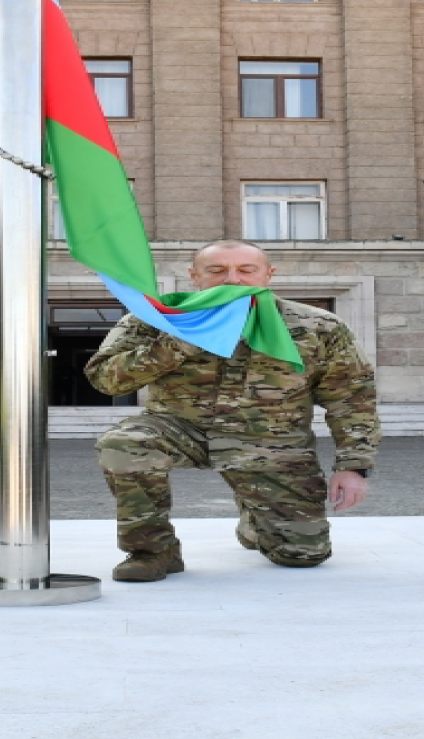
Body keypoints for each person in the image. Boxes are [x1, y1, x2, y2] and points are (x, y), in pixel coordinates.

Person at [85, 239, 380, 582]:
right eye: (217, 270)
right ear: (194, 276)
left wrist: (354, 466)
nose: (232, 279)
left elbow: (352, 397)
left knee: (302, 555)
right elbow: (107, 380)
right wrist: (182, 338)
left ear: (268, 275)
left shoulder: (319, 327)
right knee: (123, 443)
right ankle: (153, 552)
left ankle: (256, 521)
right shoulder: (155, 319)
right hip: (180, 429)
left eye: (245, 270)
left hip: (272, 443)